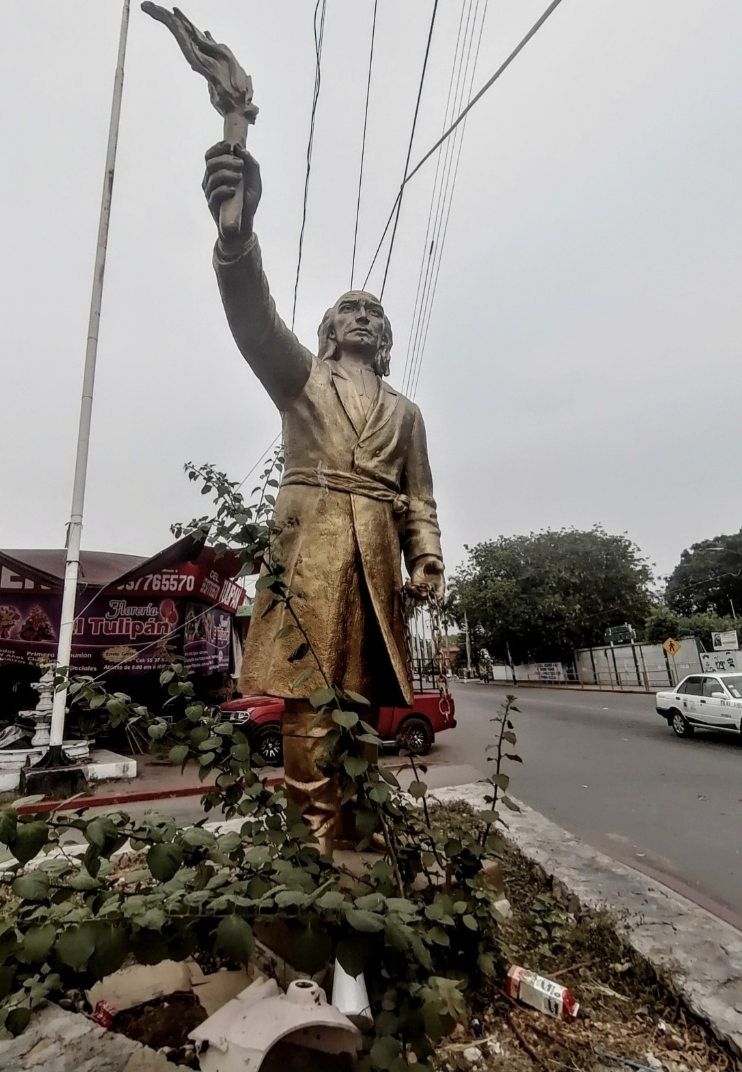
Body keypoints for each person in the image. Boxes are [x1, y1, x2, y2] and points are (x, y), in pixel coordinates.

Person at [203, 142, 445, 847]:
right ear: (330, 331)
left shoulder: (406, 413)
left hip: (375, 556)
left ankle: (359, 830)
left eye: (373, 311)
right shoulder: (303, 380)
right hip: (310, 545)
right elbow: (254, 322)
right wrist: (235, 237)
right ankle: (313, 841)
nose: (363, 316)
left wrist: (424, 556)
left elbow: (418, 498)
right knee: (311, 701)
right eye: (349, 309)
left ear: (385, 336)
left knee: (365, 702)